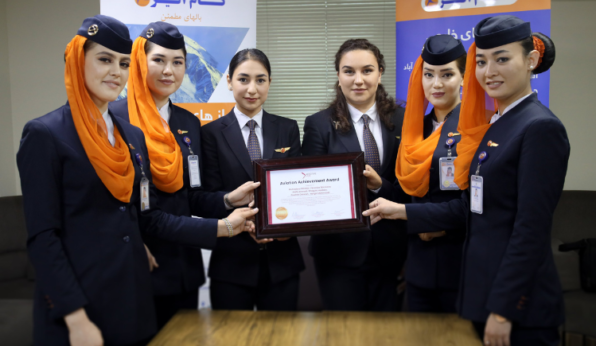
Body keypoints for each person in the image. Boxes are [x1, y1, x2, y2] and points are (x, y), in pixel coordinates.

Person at [17, 15, 256, 346]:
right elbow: (44, 236)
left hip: (136, 289)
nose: (116, 71)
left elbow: (149, 206)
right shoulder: (49, 133)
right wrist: (74, 314)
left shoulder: (132, 134)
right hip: (91, 295)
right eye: (104, 59)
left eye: (123, 63)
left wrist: (228, 202)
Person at [364, 15, 569, 346]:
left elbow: (529, 230)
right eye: (483, 61)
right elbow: (481, 209)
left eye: (502, 59)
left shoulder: (539, 127)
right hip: (478, 289)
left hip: (515, 306)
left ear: (530, 60)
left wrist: (503, 311)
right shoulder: (502, 123)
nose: (490, 72)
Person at [110, 21, 260, 329]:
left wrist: (228, 201)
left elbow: (190, 197)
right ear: (140, 61)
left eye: (178, 62)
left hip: (183, 269)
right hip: (139, 264)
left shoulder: (187, 122)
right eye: (159, 60)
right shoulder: (115, 119)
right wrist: (222, 228)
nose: (169, 70)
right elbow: (114, 203)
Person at [301, 38, 408, 311]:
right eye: (349, 71)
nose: (358, 80)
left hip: (392, 251)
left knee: (388, 336)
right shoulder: (318, 125)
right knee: (342, 334)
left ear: (380, 73)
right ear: (338, 76)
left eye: (367, 70)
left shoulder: (405, 120)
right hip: (338, 253)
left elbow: (411, 186)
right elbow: (312, 191)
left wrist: (380, 185)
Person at [201, 48, 305, 310]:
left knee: (282, 338)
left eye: (261, 80)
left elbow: (299, 188)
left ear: (270, 82)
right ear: (229, 81)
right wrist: (233, 211)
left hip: (282, 260)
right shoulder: (210, 133)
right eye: (243, 79)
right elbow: (203, 197)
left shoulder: (288, 128)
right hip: (232, 260)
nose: (252, 89)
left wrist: (284, 229)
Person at [394, 34, 467, 313]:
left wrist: (437, 223)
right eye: (428, 74)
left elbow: (482, 201)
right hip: (418, 265)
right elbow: (404, 194)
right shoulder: (412, 129)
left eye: (447, 74)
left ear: (463, 77)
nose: (436, 84)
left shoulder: (479, 127)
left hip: (460, 263)